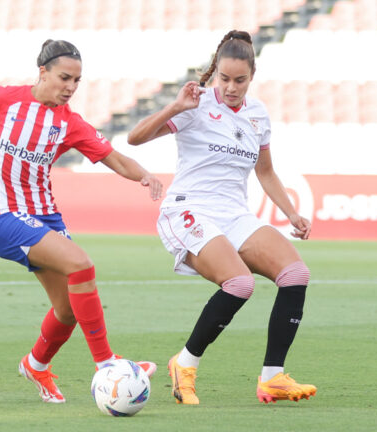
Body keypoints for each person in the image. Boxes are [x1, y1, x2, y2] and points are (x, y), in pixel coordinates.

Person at [0, 39, 163, 404]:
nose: (71, 88)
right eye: (64, 78)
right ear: (42, 71)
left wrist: (145, 175)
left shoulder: (70, 123)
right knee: (82, 264)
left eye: (77, 81)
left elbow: (113, 157)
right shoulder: (3, 99)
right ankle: (107, 364)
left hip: (45, 217)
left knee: (68, 310)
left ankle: (35, 364)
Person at [127, 30, 317, 405]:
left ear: (252, 76)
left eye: (240, 80)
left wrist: (291, 212)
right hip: (188, 209)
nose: (231, 87)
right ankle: (184, 364)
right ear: (215, 74)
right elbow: (135, 137)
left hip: (234, 214)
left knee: (296, 274)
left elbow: (265, 172)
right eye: (224, 79)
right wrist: (175, 107)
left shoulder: (257, 114)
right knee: (240, 284)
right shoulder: (194, 104)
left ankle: (272, 377)